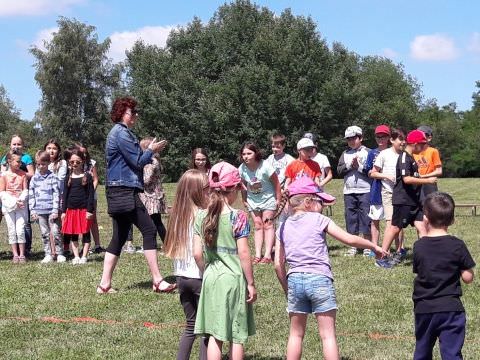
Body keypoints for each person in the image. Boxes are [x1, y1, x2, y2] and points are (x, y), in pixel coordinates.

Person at [273, 176, 387, 360]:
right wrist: (373, 246)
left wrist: (287, 287)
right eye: (321, 202)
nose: (324, 207)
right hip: (320, 279)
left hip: (294, 279)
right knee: (328, 335)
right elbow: (349, 239)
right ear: (309, 202)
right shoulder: (319, 220)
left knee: (295, 334)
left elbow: (278, 263)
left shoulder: (283, 227)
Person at [97, 96, 175, 294]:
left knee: (119, 236)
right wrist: (151, 150)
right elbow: (138, 162)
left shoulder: (120, 133)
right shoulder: (121, 133)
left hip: (118, 189)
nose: (136, 115)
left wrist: (148, 150)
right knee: (149, 230)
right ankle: (158, 280)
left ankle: (104, 285)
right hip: (124, 189)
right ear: (123, 113)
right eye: (133, 112)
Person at [193, 161, 256, 360]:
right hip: (234, 279)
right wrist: (251, 283)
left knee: (215, 334)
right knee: (236, 334)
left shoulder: (201, 215)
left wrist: (207, 270)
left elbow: (197, 253)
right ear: (234, 189)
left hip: (211, 278)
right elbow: (244, 253)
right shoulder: (239, 217)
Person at [413, 192, 475, 360]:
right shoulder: (458, 245)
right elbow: (468, 278)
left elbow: (419, 271)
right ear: (452, 220)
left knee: (422, 351)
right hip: (451, 309)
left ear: (426, 218)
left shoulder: (419, 246)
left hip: (424, 307)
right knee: (451, 353)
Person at [376, 130, 437, 269]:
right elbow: (406, 179)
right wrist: (427, 180)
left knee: (422, 226)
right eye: (422, 144)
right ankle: (382, 256)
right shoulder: (404, 157)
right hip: (403, 199)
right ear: (415, 144)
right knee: (395, 228)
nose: (424, 147)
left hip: (415, 201)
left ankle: (426, 258)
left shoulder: (412, 157)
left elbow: (414, 177)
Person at [164, 169, 209, 360]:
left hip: (181, 278)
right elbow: (202, 251)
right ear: (196, 191)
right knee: (207, 329)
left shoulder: (177, 216)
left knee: (191, 325)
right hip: (199, 277)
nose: (210, 193)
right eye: (206, 189)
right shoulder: (202, 215)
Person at [238, 142, 281, 264]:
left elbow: (276, 183)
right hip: (253, 200)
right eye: (243, 154)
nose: (246, 156)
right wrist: (244, 199)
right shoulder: (242, 168)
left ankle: (267, 255)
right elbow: (242, 185)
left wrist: (278, 199)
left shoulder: (265, 166)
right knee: (257, 225)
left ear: (255, 153)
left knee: (268, 225)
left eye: (249, 153)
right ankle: (257, 255)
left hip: (268, 199)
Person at [370, 128, 406, 261]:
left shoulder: (405, 155)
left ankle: (399, 250)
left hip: (403, 193)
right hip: (388, 192)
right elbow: (372, 173)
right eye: (400, 139)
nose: (403, 142)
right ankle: (383, 253)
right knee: (391, 222)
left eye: (404, 139)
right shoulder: (384, 154)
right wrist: (386, 176)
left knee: (400, 223)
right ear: (392, 140)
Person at [337, 126, 372, 256]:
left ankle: (367, 245)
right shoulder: (345, 154)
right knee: (351, 218)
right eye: (348, 139)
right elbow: (339, 170)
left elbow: (372, 171)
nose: (351, 141)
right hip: (349, 191)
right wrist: (349, 165)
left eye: (353, 138)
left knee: (366, 217)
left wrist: (359, 167)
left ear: (361, 138)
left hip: (365, 190)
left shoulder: (369, 152)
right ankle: (353, 246)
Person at [1, 135, 35, 256]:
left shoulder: (26, 157)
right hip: (8, 197)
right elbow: (2, 174)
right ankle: (15, 252)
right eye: (14, 144)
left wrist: (20, 174)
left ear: (22, 145)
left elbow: (32, 173)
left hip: (22, 196)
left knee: (24, 225)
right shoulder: (5, 157)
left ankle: (26, 250)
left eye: (18, 144)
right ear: (10, 145)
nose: (16, 146)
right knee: (10, 226)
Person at [29, 151, 64, 263]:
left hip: (52, 210)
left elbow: (56, 194)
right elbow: (31, 195)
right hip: (39, 211)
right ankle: (48, 253)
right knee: (44, 233)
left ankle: (59, 253)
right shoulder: (34, 178)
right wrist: (32, 210)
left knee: (55, 232)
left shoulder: (53, 177)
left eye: (43, 164)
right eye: (38, 164)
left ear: (48, 163)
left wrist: (55, 209)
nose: (40, 166)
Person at [61, 148, 94, 264]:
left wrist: (90, 210)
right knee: (73, 233)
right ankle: (76, 256)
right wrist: (63, 211)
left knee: (85, 233)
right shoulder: (67, 178)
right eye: (72, 162)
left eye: (78, 162)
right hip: (71, 210)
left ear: (83, 162)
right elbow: (64, 196)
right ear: (69, 162)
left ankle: (84, 256)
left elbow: (91, 195)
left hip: (84, 210)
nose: (75, 164)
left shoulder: (87, 177)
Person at [364, 125, 391, 256]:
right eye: (378, 136)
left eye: (383, 136)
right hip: (376, 190)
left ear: (389, 138)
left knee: (390, 221)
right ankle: (375, 247)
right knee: (375, 220)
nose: (380, 139)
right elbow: (368, 171)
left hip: (391, 189)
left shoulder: (393, 152)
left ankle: (389, 247)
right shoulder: (372, 153)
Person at [139, 137, 168, 249]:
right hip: (151, 195)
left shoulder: (151, 162)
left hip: (152, 196)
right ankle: (160, 244)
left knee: (155, 221)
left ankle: (164, 244)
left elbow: (146, 179)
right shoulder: (153, 160)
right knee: (155, 221)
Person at [0, 151, 29, 263]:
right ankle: (15, 254)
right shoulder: (3, 175)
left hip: (20, 206)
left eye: (20, 161)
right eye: (17, 161)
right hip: (9, 206)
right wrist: (13, 201)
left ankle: (22, 254)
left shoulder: (23, 174)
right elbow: (2, 192)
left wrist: (20, 200)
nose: (19, 163)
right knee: (11, 229)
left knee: (20, 229)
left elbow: (25, 190)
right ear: (9, 161)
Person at [76, 143, 105, 254]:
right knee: (81, 220)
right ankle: (84, 246)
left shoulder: (91, 163)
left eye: (85, 152)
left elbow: (96, 179)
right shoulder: (73, 163)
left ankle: (97, 245)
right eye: (80, 152)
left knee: (92, 219)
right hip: (78, 196)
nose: (83, 154)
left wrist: (90, 191)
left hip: (91, 196)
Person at [413, 125, 442, 201]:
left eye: (422, 135)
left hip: (429, 184)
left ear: (429, 138)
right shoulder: (412, 151)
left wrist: (423, 176)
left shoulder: (433, 151)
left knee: (431, 204)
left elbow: (439, 171)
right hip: (415, 182)